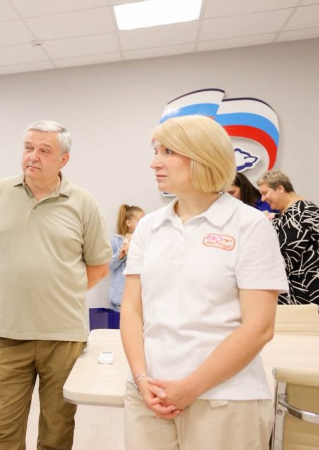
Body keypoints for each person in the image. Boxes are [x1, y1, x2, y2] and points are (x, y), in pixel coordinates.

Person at [120, 115, 288, 450]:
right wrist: (140, 379)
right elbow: (132, 308)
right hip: (148, 394)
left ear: (203, 157)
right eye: (155, 151)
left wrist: (191, 387)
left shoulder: (250, 225)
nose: (155, 163)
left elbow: (259, 327)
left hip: (224, 398)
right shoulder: (149, 227)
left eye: (168, 152)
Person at [0, 120, 111, 450]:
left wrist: (60, 289)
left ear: (64, 159)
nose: (33, 156)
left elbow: (99, 266)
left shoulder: (83, 202)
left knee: (57, 431)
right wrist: (19, 282)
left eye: (44, 150)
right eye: (28, 147)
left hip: (63, 336)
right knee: (1, 431)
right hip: (9, 332)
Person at [257, 169, 319, 307]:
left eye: (265, 193)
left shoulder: (300, 211)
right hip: (298, 292)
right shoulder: (287, 213)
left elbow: (285, 257)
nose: (262, 199)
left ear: (280, 188)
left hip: (305, 293)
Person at [109, 205, 144, 311]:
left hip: (140, 296)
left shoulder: (144, 240)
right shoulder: (116, 240)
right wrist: (122, 250)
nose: (144, 223)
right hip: (119, 296)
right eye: (140, 221)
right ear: (128, 223)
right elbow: (109, 266)